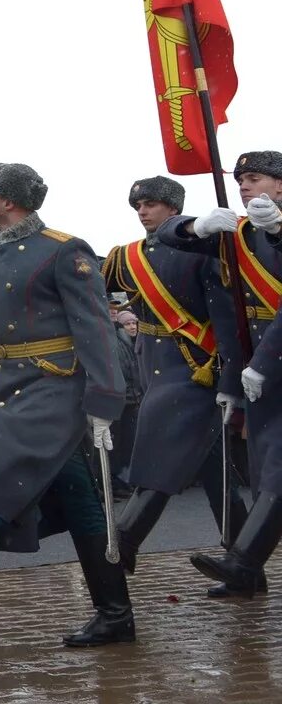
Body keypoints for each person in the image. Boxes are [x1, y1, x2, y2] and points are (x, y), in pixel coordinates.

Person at [0, 163, 133, 654]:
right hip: (14, 391)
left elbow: (94, 328)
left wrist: (103, 400)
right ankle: (116, 613)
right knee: (79, 502)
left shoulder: (62, 249)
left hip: (57, 391)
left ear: (9, 201)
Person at [101, 176, 244, 571]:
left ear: (173, 209)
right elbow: (93, 288)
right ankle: (244, 563)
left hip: (195, 370)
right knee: (216, 470)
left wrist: (231, 381)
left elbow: (227, 321)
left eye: (150, 204)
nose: (143, 212)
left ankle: (124, 543)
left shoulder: (203, 250)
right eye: (138, 206)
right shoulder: (127, 257)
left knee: (158, 457)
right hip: (152, 366)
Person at [158, 149, 282, 595]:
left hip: (272, 364)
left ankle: (243, 560)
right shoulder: (241, 233)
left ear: (280, 185)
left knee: (278, 470)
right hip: (260, 373)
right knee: (265, 467)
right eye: (240, 179)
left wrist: (264, 364)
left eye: (254, 178)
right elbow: (169, 236)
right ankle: (247, 570)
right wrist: (197, 225)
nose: (243, 186)